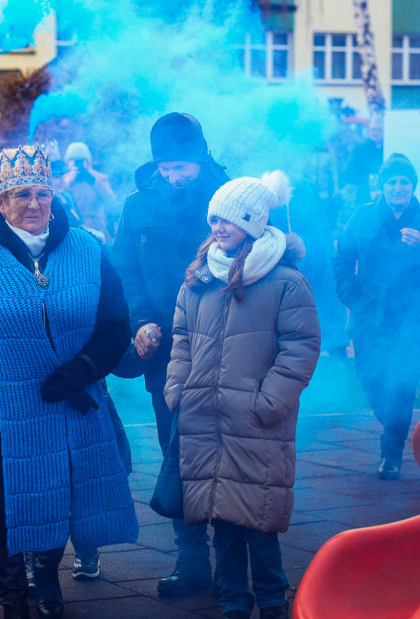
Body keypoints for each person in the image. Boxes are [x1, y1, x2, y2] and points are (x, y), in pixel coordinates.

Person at [0, 145, 139, 618]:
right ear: (0, 203)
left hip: (72, 399)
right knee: (1, 508)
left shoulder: (86, 248)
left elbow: (115, 323)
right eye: (21, 194)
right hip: (3, 408)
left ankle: (50, 580)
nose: (35, 203)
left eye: (43, 192)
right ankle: (13, 596)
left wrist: (82, 369)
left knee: (61, 492)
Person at [166, 171, 320, 619]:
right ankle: (234, 604)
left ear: (253, 222)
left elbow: (301, 348)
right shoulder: (199, 276)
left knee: (259, 524)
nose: (218, 227)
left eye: (229, 219)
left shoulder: (285, 281)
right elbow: (180, 335)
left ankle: (273, 605)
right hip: (205, 419)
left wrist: (267, 401)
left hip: (255, 423)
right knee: (223, 523)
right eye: (214, 218)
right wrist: (178, 387)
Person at [109, 112, 228, 597]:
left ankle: (236, 561)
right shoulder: (138, 206)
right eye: (167, 167)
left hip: (224, 342)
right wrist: (141, 322)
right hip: (164, 349)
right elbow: (125, 270)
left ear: (200, 158)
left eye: (183, 167)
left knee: (224, 452)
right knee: (174, 447)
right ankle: (192, 559)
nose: (174, 176)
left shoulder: (229, 199)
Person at [333, 154, 420, 479]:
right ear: (381, 185)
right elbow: (341, 259)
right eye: (392, 182)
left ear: (413, 185)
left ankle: (392, 454)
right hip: (369, 316)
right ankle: (395, 428)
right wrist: (352, 296)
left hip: (412, 319)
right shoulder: (362, 217)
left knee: (402, 384)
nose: (398, 188)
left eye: (404, 181)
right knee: (371, 379)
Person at [59, 142, 116, 240]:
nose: (77, 163)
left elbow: (111, 201)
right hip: (73, 231)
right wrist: (68, 181)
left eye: (81, 160)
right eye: (73, 160)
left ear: (88, 160)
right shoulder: (62, 179)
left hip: (99, 229)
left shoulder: (99, 178)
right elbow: (56, 198)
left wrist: (93, 182)